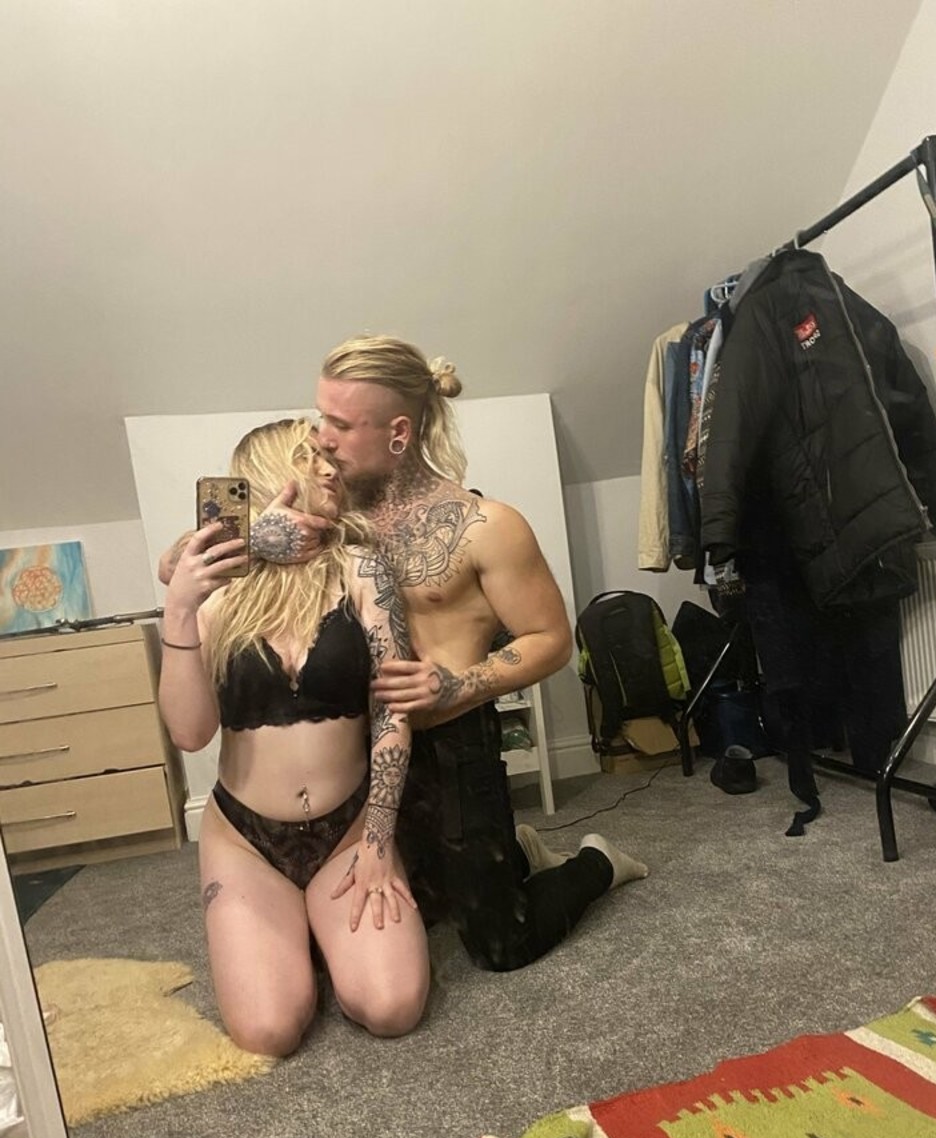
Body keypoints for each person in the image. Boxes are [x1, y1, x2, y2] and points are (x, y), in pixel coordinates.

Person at [161, 336, 647, 973]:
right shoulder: (327, 503)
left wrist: (460, 684)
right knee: (383, 915)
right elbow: (175, 565)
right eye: (321, 416)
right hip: (355, 750)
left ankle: (596, 862)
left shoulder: (486, 526)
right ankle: (509, 853)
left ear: (398, 432)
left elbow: (552, 639)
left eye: (340, 424)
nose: (322, 437)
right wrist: (257, 537)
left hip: (449, 741)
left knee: (501, 945)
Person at [158, 419, 429, 1055]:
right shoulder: (214, 586)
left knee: (391, 1007)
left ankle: (315, 933)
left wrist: (378, 841)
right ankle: (294, 935)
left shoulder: (361, 569)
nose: (332, 469)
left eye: (332, 457)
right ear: (272, 472)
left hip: (350, 831)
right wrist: (180, 607)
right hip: (246, 842)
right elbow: (190, 733)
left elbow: (393, 713)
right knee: (268, 1032)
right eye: (312, 458)